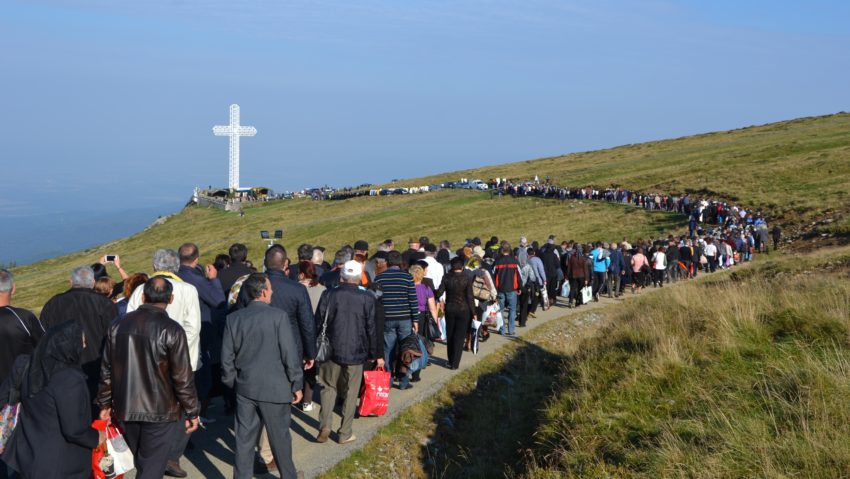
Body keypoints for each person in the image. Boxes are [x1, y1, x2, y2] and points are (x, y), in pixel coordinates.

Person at [98, 276, 200, 479]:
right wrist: (192, 410)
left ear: (143, 296)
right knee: (151, 466)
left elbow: (106, 369)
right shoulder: (172, 329)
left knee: (144, 462)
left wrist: (104, 403)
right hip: (160, 409)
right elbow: (182, 376)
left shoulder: (118, 325)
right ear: (170, 299)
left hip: (126, 405)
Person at [125, 249, 201, 477]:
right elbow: (193, 327)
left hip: (144, 359)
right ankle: (171, 456)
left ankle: (150, 456)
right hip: (181, 359)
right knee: (178, 406)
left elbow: (129, 321)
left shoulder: (141, 289)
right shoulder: (188, 289)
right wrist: (175, 354)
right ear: (176, 266)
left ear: (154, 265)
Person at [221, 273, 304, 479]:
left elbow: (226, 358)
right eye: (270, 288)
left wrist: (233, 382)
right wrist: (296, 384)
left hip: (245, 387)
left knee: (244, 441)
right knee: (280, 440)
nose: (273, 292)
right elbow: (289, 354)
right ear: (264, 292)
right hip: (275, 389)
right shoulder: (278, 316)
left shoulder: (233, 319)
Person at [2, 321, 104, 479]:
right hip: (61, 466)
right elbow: (74, 430)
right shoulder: (70, 379)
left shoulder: (26, 365)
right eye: (82, 341)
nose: (84, 346)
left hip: (27, 456)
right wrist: (97, 437)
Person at [252, 246, 316, 475]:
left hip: (256, 351)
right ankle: (269, 454)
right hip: (289, 352)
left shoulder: (251, 287)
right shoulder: (297, 290)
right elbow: (307, 324)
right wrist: (310, 353)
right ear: (286, 264)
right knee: (280, 406)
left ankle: (263, 450)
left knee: (258, 402)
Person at [314, 261, 381, 444]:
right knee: (351, 392)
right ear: (359, 277)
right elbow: (372, 328)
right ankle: (345, 432)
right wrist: (375, 353)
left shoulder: (328, 294)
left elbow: (318, 322)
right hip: (356, 350)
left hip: (330, 350)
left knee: (328, 387)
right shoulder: (367, 297)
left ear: (341, 276)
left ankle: (325, 425)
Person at [39, 265, 118, 401]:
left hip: (64, 373)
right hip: (98, 368)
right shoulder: (104, 304)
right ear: (93, 282)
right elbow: (115, 338)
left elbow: (44, 339)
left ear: (71, 282)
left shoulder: (52, 305)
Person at [176, 243, 227, 426]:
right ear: (196, 258)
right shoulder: (194, 279)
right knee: (201, 374)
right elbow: (218, 301)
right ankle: (197, 413)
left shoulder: (176, 275)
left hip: (178, 329)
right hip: (199, 330)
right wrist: (213, 279)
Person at [375, 250, 419, 390]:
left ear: (387, 263)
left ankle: (387, 379)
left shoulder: (379, 278)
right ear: (400, 263)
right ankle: (404, 380)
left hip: (387, 319)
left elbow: (377, 300)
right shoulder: (407, 277)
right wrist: (415, 320)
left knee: (387, 349)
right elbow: (413, 300)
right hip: (405, 318)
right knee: (406, 349)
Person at [0, 269, 45, 385]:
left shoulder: (22, 317)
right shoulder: (23, 316)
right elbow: (45, 345)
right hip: (26, 385)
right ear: (13, 288)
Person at [435, 257, 476, 369]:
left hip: (450, 309)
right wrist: (474, 312)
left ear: (451, 266)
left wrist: (432, 294)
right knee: (459, 337)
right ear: (462, 267)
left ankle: (450, 359)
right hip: (464, 309)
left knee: (450, 335)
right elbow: (470, 297)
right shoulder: (466, 278)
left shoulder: (447, 277)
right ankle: (455, 363)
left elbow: (439, 292)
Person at [296, 261, 325, 414]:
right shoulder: (323, 290)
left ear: (301, 273)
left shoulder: (294, 288)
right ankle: (307, 401)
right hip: (315, 333)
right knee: (311, 369)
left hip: (297, 333)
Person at [493, 244, 521, 335]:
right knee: (512, 309)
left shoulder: (497, 261)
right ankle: (511, 330)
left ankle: (502, 330)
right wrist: (520, 287)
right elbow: (519, 276)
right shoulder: (515, 261)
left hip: (500, 289)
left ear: (502, 251)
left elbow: (493, 276)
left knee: (500, 310)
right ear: (509, 250)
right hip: (512, 288)